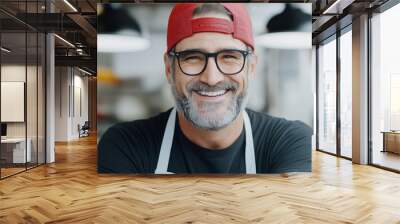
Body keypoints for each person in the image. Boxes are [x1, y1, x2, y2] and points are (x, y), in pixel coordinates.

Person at [98, 3, 312, 174]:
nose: (211, 78)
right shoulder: (125, 146)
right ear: (169, 68)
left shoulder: (289, 141)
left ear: (251, 67)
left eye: (229, 56)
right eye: (192, 57)